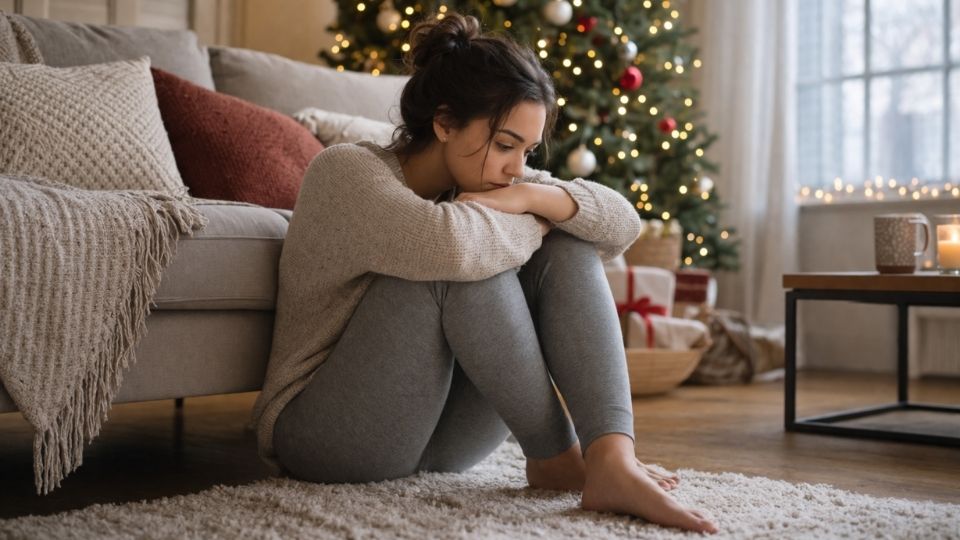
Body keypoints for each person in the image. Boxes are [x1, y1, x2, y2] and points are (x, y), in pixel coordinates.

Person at [252, 12, 718, 535]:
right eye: (505, 145)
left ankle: (611, 460)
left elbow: (620, 225)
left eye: (527, 150)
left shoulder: (497, 180)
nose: (516, 167)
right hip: (329, 436)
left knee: (568, 244)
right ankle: (560, 455)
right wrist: (537, 215)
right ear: (445, 122)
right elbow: (447, 245)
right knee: (465, 256)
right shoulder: (346, 171)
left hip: (443, 440)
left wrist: (533, 197)